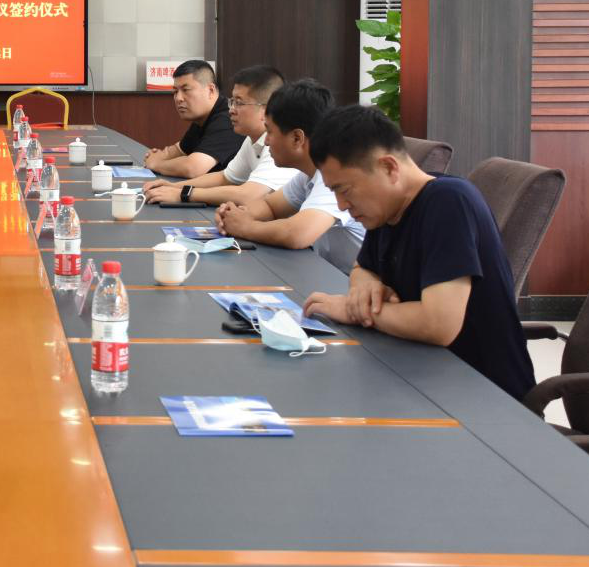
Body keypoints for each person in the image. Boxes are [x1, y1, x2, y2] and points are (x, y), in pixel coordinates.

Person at [302, 104, 535, 400]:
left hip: (485, 396)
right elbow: (363, 267)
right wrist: (366, 287)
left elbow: (439, 324)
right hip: (421, 374)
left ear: (389, 168)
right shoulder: (387, 208)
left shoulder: (449, 203)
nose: (341, 205)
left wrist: (355, 310)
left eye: (344, 190)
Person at [214, 79, 365, 273]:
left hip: (355, 282)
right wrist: (235, 214)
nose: (266, 142)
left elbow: (297, 234)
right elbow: (270, 206)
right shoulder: (308, 174)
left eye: (269, 132)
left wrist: (244, 227)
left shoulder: (335, 174)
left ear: (297, 138)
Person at [145, 65, 297, 206]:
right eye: (232, 101)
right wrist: (174, 186)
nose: (231, 110)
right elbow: (225, 178)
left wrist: (184, 194)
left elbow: (248, 195)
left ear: (267, 108)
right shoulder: (252, 139)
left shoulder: (281, 142)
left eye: (239, 103)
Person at [141, 59, 244, 179]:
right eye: (175, 91)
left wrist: (156, 164)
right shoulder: (202, 117)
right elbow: (179, 150)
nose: (178, 98)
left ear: (210, 90)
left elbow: (193, 168)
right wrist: (159, 155)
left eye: (186, 90)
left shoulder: (228, 118)